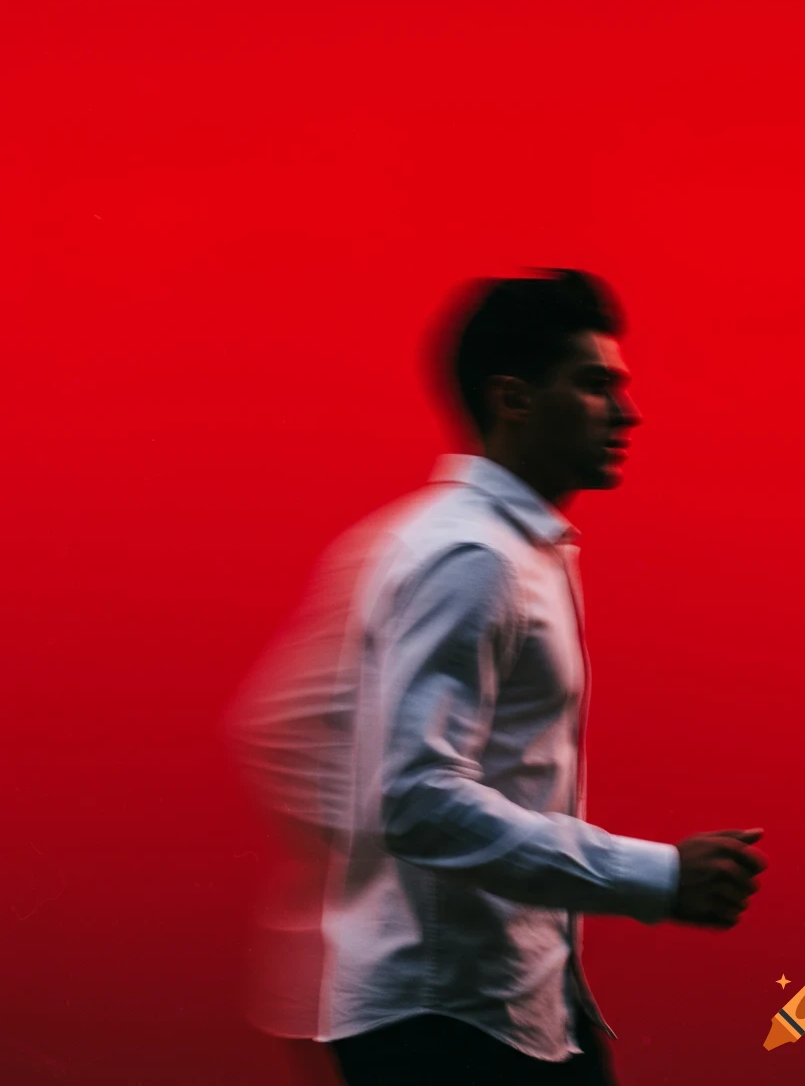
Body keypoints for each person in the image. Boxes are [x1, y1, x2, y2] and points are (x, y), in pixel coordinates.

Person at [225, 267, 768, 1086]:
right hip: (455, 1024)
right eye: (594, 386)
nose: (628, 411)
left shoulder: (499, 547)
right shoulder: (473, 557)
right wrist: (656, 876)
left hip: (506, 1003)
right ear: (513, 399)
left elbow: (368, 768)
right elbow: (417, 798)